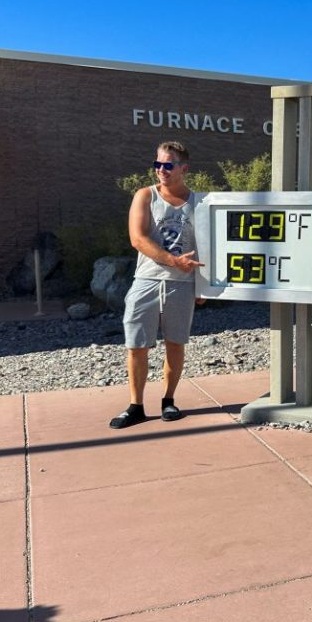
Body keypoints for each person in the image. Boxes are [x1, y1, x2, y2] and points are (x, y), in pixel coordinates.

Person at [109, 140, 205, 429]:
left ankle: (169, 401)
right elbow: (137, 239)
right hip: (147, 280)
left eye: (168, 165)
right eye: (158, 164)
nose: (161, 170)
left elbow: (207, 246)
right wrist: (173, 260)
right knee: (137, 344)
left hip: (182, 284)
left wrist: (203, 286)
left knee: (175, 343)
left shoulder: (199, 202)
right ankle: (135, 405)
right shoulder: (145, 196)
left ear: (183, 168)